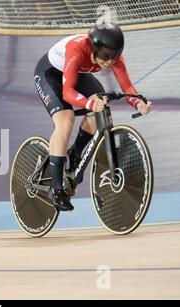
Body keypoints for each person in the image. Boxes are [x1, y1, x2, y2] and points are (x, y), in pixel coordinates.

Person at [33, 22, 152, 211]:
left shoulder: (112, 56)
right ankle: (56, 189)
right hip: (50, 74)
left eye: (113, 60)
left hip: (77, 72)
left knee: (101, 108)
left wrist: (139, 103)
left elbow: (127, 87)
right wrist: (89, 103)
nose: (109, 65)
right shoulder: (77, 50)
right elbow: (68, 93)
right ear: (94, 50)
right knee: (65, 120)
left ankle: (74, 155)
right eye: (105, 61)